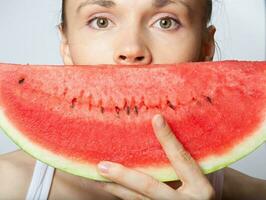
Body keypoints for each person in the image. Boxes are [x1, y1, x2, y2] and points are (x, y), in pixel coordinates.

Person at [0, 0, 266, 199]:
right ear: (66, 45)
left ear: (206, 47)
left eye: (166, 21)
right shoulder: (7, 184)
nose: (131, 49)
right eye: (101, 21)